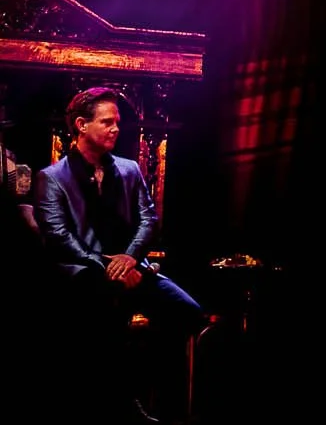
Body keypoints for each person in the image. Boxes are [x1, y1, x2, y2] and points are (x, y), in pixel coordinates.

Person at [35, 87, 206, 410]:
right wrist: (105, 266)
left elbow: (148, 219)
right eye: (107, 121)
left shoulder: (129, 169)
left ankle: (147, 391)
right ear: (82, 125)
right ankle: (115, 403)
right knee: (103, 323)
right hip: (84, 272)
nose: (116, 128)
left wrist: (128, 260)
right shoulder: (51, 177)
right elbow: (58, 236)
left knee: (188, 312)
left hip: (132, 267)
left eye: (117, 121)